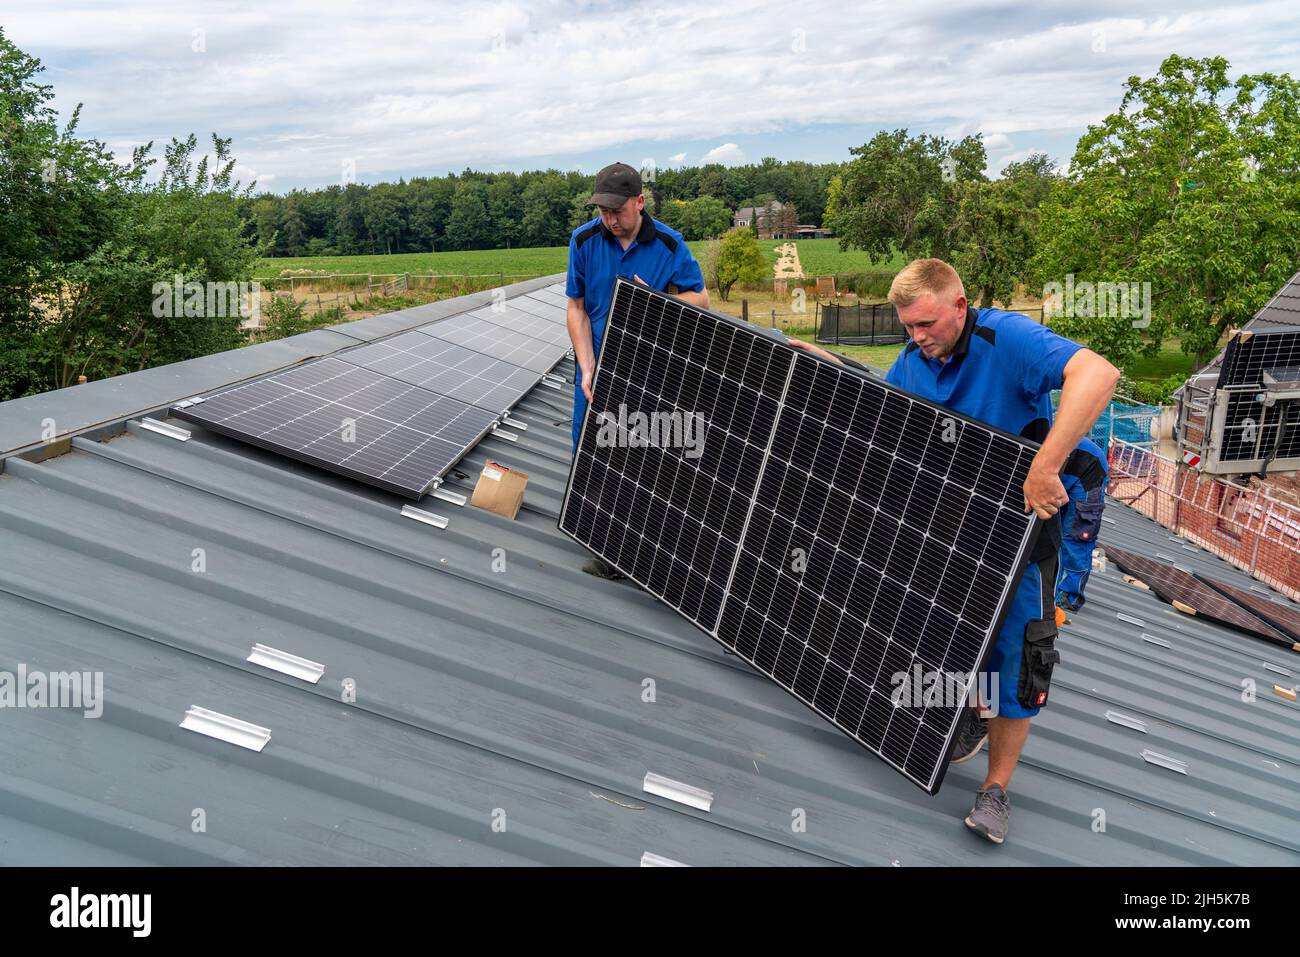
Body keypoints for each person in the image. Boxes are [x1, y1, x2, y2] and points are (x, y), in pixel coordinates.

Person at [790, 259, 1119, 845]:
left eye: (926, 324)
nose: (917, 338)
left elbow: (1097, 374)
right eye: (907, 327)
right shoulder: (914, 360)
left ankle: (995, 790)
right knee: (943, 632)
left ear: (960, 305)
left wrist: (1045, 466)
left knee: (1019, 657)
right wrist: (828, 367)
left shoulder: (1006, 338)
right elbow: (887, 410)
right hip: (949, 533)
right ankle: (962, 714)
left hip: (1022, 534)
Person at [565, 162, 709, 579]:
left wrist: (662, 304)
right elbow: (575, 306)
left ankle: (643, 553)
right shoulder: (584, 240)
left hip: (649, 375)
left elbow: (701, 299)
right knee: (592, 454)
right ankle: (602, 543)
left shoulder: (668, 244)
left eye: (617, 211)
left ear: (639, 202)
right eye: (602, 211)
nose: (609, 220)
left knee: (641, 458)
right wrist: (586, 367)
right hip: (595, 372)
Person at [1056, 436, 1109, 615]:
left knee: (1075, 536)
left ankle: (1071, 597)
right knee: (1052, 532)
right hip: (1065, 472)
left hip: (1090, 472)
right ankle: (1052, 586)